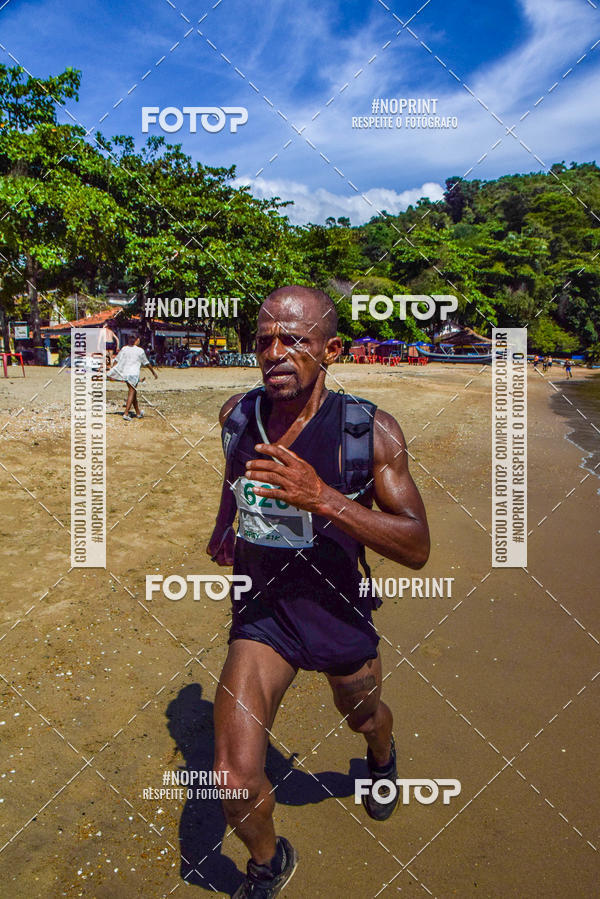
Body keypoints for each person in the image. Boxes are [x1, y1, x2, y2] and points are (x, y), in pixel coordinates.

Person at [207, 286, 430, 898]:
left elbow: (416, 548)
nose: (275, 352)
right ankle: (267, 861)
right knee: (229, 776)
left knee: (360, 714)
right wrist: (224, 526)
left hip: (337, 608)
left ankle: (381, 754)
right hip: (264, 614)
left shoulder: (369, 431)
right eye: (263, 341)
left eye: (294, 341)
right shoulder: (237, 414)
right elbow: (236, 477)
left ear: (330, 349)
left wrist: (321, 498)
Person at [107, 334, 158, 420]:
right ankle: (126, 413)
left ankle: (138, 413)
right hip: (134, 374)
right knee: (131, 392)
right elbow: (146, 363)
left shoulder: (124, 349)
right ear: (137, 340)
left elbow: (116, 360)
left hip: (126, 374)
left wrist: (114, 372)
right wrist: (153, 372)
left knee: (133, 393)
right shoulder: (140, 350)